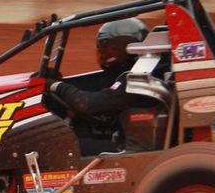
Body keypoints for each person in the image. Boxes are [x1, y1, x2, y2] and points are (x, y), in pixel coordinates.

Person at [44, 18, 162, 154]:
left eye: (106, 51)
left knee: (59, 146)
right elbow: (102, 97)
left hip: (131, 151)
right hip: (127, 141)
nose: (102, 56)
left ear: (120, 49)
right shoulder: (140, 72)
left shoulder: (137, 80)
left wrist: (56, 86)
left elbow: (87, 103)